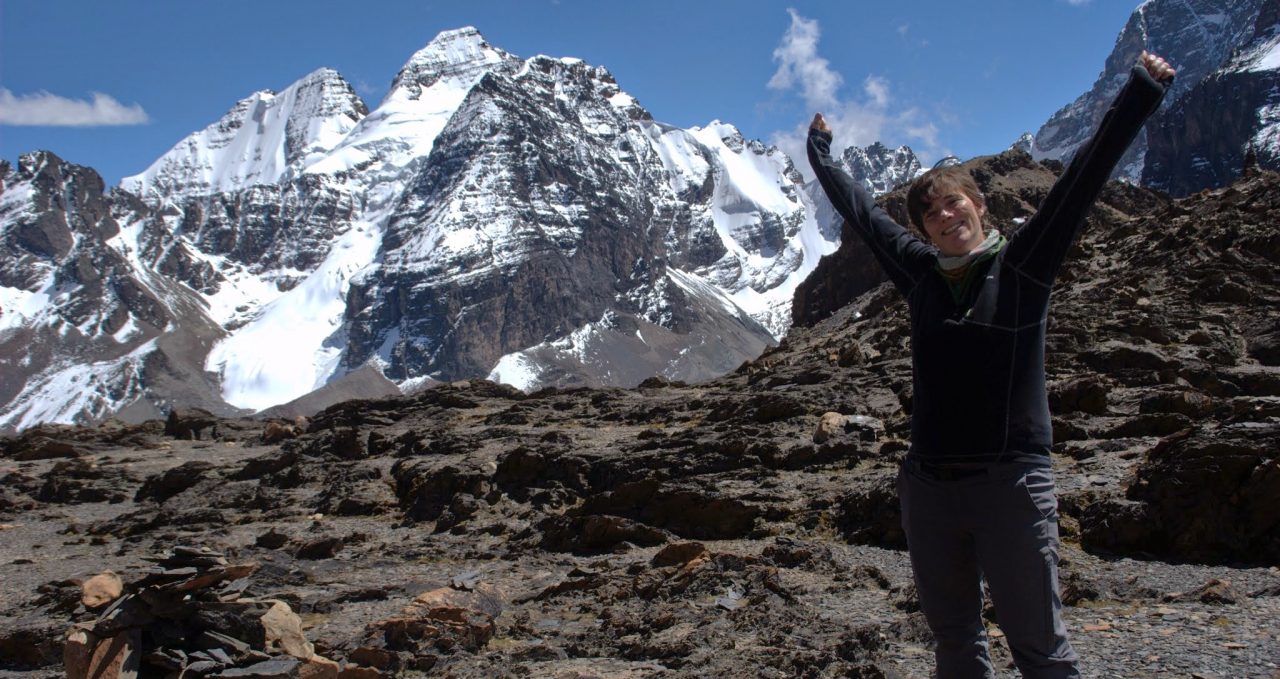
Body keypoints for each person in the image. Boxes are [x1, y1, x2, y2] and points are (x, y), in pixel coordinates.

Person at [807, 51, 1175, 678]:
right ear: (922, 229)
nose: (945, 217)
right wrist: (821, 156)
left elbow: (1082, 179)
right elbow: (865, 219)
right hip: (928, 487)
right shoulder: (920, 273)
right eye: (931, 212)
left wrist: (1140, 91)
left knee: (1039, 647)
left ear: (979, 206)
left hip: (1010, 482)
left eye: (954, 204)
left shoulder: (1025, 265)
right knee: (955, 642)